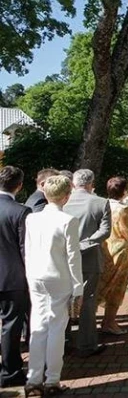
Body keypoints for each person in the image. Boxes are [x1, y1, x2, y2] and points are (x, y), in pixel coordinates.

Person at [24, 175, 83, 397]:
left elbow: (28, 251)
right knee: (56, 328)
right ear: (66, 196)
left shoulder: (32, 219)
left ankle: (33, 378)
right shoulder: (68, 220)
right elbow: (73, 258)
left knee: (38, 326)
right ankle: (52, 380)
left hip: (37, 276)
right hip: (59, 278)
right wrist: (78, 287)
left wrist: (29, 276)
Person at [63, 169, 111, 358]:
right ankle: (87, 344)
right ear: (91, 183)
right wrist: (86, 244)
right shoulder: (100, 202)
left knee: (63, 300)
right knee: (88, 301)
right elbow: (105, 231)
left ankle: (64, 341)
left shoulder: (63, 200)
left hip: (64, 258)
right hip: (89, 258)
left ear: (74, 183)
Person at [97, 177, 128, 335]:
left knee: (103, 284)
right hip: (121, 253)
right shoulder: (124, 210)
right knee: (117, 288)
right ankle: (109, 322)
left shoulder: (102, 205)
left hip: (105, 249)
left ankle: (100, 320)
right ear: (124, 191)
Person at [0, 166, 31, 389]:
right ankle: (10, 371)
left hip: (9, 275)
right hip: (13, 277)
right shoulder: (21, 211)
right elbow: (25, 249)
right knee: (11, 325)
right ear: (19, 186)